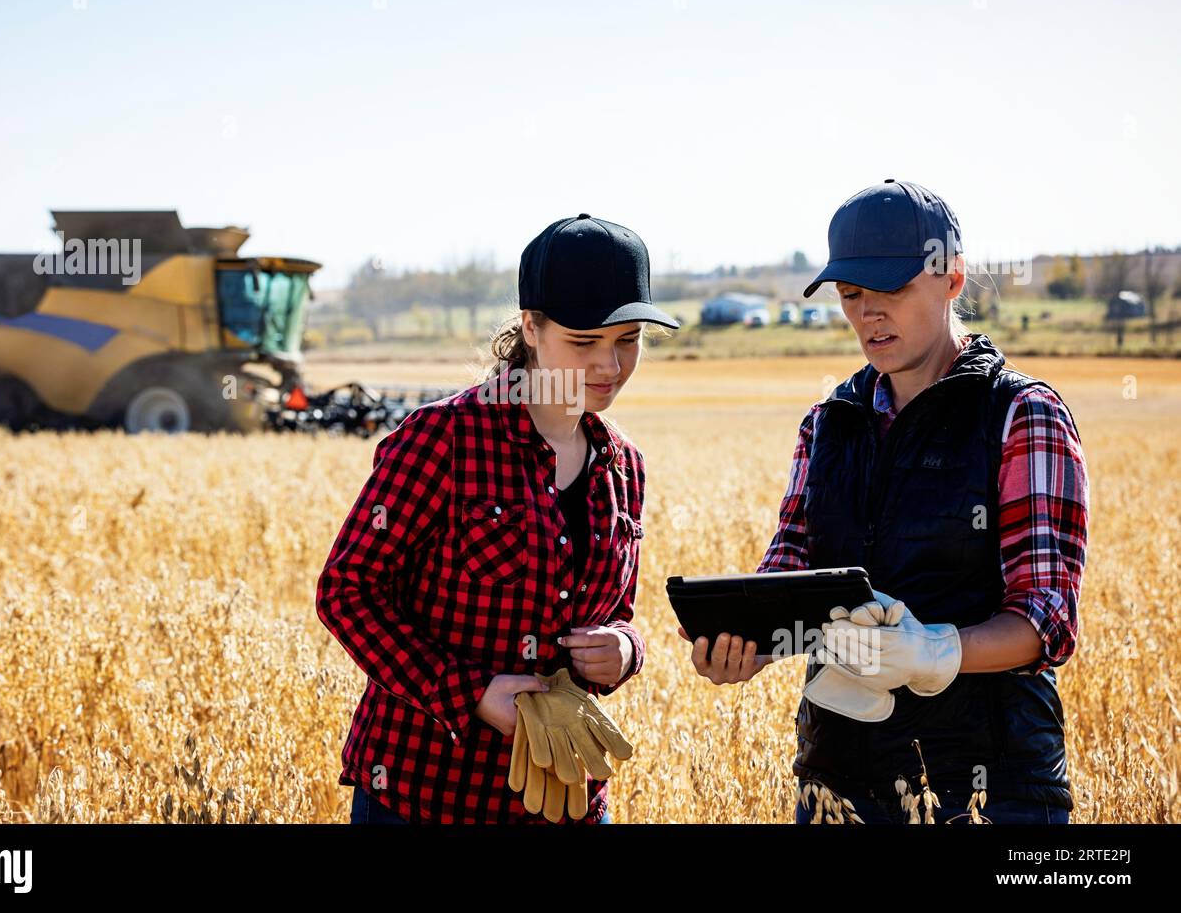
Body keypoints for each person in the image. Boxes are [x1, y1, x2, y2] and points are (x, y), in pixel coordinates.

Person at [682, 180, 1089, 824]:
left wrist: (935, 650)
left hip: (988, 789)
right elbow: (789, 571)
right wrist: (749, 643)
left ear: (952, 278)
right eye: (851, 295)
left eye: (891, 291)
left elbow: (1046, 620)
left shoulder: (1021, 415)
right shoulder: (828, 424)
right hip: (837, 781)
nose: (869, 314)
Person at [317, 212, 678, 823]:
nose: (611, 367)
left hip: (563, 795)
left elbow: (616, 612)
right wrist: (469, 692)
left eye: (628, 340)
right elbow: (347, 592)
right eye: (585, 343)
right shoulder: (443, 438)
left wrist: (624, 648)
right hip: (424, 793)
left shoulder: (625, 466)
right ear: (532, 327)